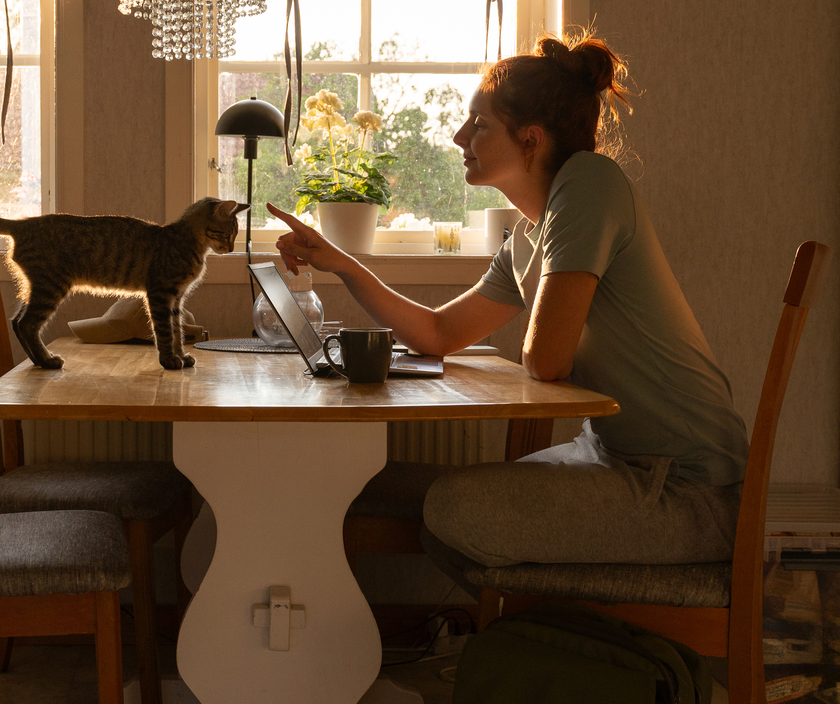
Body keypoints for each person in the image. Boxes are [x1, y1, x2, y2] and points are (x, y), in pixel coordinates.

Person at [267, 31, 749, 583]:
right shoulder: (527, 236)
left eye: (480, 123)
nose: (458, 136)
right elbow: (439, 333)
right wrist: (343, 263)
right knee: (435, 508)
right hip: (611, 458)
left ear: (532, 140)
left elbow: (545, 361)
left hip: (687, 490)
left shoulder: (590, 184)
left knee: (454, 508)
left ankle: (545, 635)